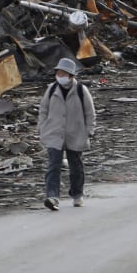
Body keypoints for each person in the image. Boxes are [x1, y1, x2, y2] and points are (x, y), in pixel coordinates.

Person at [38, 57, 96, 211]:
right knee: (53, 166)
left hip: (75, 133)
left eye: (63, 73)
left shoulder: (81, 90)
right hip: (54, 134)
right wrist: (42, 128)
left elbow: (90, 113)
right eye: (58, 73)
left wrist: (89, 131)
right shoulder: (51, 89)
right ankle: (52, 197)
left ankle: (77, 194)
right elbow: (43, 110)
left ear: (71, 75)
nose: (60, 76)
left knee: (76, 166)